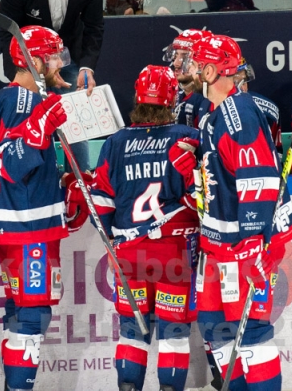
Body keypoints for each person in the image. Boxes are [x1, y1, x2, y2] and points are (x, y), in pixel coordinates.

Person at [83, 65, 199, 391]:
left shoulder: (115, 143)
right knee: (173, 333)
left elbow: (100, 205)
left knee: (132, 332)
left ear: (137, 97)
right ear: (172, 99)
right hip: (174, 254)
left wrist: (111, 236)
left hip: (130, 255)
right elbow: (204, 197)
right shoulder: (188, 139)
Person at [193, 34, 292, 391]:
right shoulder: (217, 115)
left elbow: (260, 179)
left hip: (243, 243)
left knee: (250, 331)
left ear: (210, 71)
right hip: (216, 243)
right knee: (212, 325)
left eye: (196, 64)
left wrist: (255, 243)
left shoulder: (237, 111)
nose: (190, 70)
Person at [0, 26, 70, 391]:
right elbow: (12, 162)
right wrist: (43, 120)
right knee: (33, 316)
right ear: (35, 59)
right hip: (26, 224)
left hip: (12, 219)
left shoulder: (5, 97)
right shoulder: (24, 100)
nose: (60, 63)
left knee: (19, 309)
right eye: (54, 55)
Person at [0, 0, 104, 170]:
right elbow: (7, 34)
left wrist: (87, 66)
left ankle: (79, 179)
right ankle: (28, 177)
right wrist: (20, 72)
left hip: (67, 57)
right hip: (30, 63)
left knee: (72, 123)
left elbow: (94, 26)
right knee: (24, 120)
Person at [165, 29, 212, 129]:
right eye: (175, 55)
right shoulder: (175, 94)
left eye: (186, 57)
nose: (175, 63)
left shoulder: (209, 99)